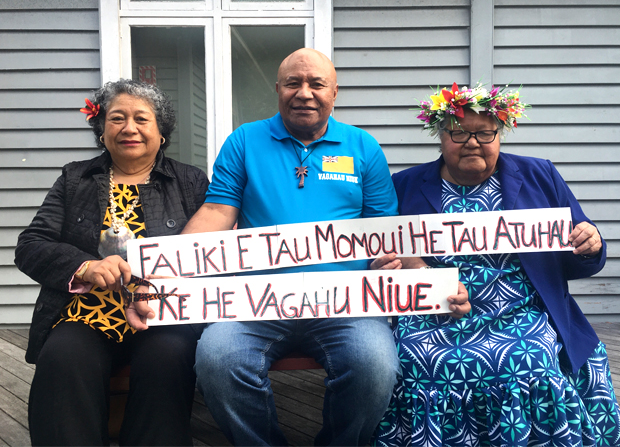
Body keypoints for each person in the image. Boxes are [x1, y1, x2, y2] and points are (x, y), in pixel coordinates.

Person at [161, 49, 469, 446]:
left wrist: (429, 281)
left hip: (346, 304)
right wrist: (167, 268)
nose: (304, 93)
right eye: (293, 83)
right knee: (218, 359)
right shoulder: (245, 141)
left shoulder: (362, 146)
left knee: (374, 367)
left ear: (334, 92)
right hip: (255, 301)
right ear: (278, 89)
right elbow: (218, 210)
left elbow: (386, 231)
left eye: (316, 84)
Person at [372, 82, 620, 447]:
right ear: (440, 137)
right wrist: (410, 272)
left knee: (532, 360)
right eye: (459, 132)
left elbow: (579, 259)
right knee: (419, 361)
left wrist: (589, 243)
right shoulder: (406, 184)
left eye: (485, 132)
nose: (472, 142)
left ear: (500, 134)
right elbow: (386, 250)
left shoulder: (539, 175)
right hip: (436, 312)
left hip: (523, 311)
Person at [14, 79, 209, 446]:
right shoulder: (75, 178)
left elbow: (209, 251)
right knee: (63, 358)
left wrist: (162, 285)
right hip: (86, 313)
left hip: (159, 313)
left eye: (141, 119)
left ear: (161, 132)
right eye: (117, 118)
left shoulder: (190, 181)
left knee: (168, 357)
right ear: (102, 130)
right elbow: (31, 245)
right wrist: (84, 266)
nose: (129, 128)